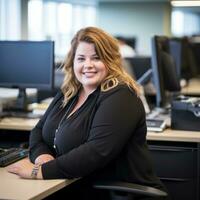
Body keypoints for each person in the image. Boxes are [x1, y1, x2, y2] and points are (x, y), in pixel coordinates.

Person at [7, 27, 169, 199]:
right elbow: (38, 131)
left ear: (110, 60)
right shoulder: (69, 92)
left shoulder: (121, 95)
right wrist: (42, 157)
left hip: (119, 194)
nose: (88, 65)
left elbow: (96, 152)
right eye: (81, 59)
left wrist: (39, 172)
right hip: (79, 186)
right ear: (73, 62)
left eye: (96, 58)